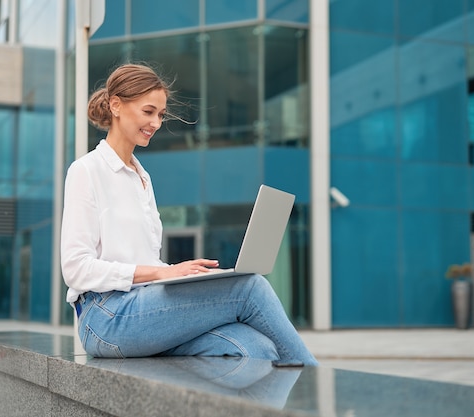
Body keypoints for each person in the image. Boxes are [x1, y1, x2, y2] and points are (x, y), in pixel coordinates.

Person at [60, 63, 318, 366]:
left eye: (160, 114)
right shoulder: (86, 171)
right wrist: (160, 273)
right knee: (250, 287)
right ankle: (319, 394)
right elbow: (75, 268)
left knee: (256, 348)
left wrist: (186, 276)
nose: (156, 122)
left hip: (144, 309)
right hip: (106, 317)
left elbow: (148, 262)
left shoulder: (142, 177)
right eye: (148, 112)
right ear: (116, 105)